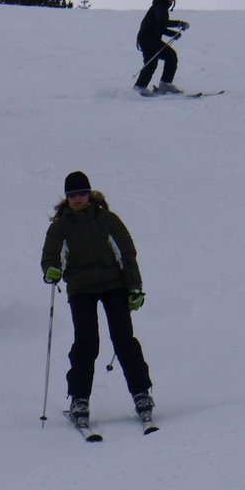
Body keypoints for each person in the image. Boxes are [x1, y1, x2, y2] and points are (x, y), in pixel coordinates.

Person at [41, 171, 154, 427]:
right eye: (73, 195)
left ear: (90, 194)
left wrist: (134, 287)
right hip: (81, 289)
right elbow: (50, 258)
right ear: (67, 198)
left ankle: (141, 394)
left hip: (113, 285)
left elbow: (127, 254)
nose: (78, 199)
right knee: (86, 343)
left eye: (82, 194)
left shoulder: (107, 220)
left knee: (124, 339)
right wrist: (51, 270)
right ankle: (79, 399)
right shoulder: (60, 227)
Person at [134, 0, 190, 96]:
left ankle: (165, 83)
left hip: (153, 38)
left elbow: (159, 26)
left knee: (171, 56)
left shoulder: (162, 5)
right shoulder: (160, 5)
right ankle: (140, 87)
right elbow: (162, 22)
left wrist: (172, 34)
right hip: (147, 38)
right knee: (152, 61)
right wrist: (179, 24)